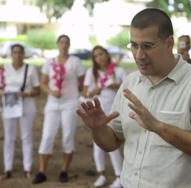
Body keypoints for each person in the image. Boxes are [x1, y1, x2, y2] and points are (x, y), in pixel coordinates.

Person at [77, 8, 191, 188]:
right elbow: (112, 141)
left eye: (147, 46)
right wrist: (98, 129)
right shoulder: (130, 84)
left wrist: (158, 127)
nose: (139, 55)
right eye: (134, 45)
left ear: (169, 43)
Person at [32, 34, 85, 184]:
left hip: (70, 103)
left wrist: (77, 96)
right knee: (47, 135)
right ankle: (42, 171)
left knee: (68, 135)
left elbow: (82, 83)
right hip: (53, 103)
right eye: (61, 42)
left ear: (69, 45)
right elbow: (43, 83)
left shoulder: (75, 61)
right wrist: (51, 91)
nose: (64, 44)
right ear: (57, 44)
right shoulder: (50, 62)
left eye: (66, 42)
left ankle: (64, 171)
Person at [81, 45, 126, 187]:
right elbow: (84, 93)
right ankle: (102, 174)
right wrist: (92, 92)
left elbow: (128, 89)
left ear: (107, 54)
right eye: (96, 56)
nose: (99, 57)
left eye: (101, 54)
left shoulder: (119, 71)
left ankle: (119, 176)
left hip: (113, 111)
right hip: (97, 111)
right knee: (97, 144)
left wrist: (117, 85)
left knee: (112, 143)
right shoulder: (91, 73)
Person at [0, 44, 40, 181]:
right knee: (9, 138)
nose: (17, 55)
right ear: (11, 54)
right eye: (15, 52)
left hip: (27, 106)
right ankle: (8, 169)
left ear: (23, 54)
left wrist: (27, 94)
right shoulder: (4, 69)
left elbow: (37, 90)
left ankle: (27, 169)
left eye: (20, 52)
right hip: (9, 105)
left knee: (26, 137)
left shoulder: (31, 69)